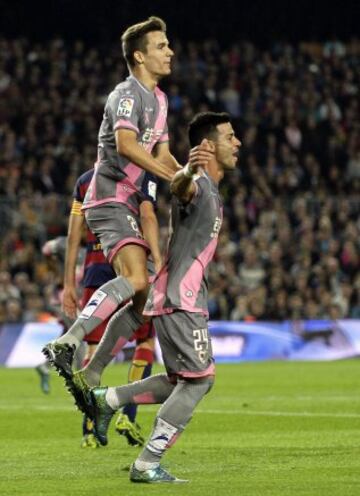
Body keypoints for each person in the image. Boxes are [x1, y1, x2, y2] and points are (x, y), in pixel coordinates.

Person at [88, 112, 241, 483]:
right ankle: (147, 463)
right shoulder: (199, 183)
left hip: (180, 296)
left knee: (180, 381)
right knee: (201, 380)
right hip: (181, 299)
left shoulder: (212, 188)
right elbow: (179, 186)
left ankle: (107, 399)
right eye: (230, 136)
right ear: (209, 146)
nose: (237, 143)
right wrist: (187, 171)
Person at [42, 16, 181, 398]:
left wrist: (189, 177)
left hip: (130, 201)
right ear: (139, 56)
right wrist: (173, 180)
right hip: (109, 196)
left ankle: (93, 372)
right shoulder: (126, 94)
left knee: (145, 296)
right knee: (138, 279)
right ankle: (69, 341)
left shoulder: (161, 100)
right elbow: (127, 145)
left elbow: (163, 154)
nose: (170, 51)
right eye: (161, 46)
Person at [63, 168, 161, 448]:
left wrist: (69, 283)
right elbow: (147, 216)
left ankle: (90, 429)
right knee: (144, 339)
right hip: (133, 265)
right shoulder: (141, 174)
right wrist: (159, 261)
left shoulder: (84, 181)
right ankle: (127, 416)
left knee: (92, 351)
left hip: (96, 269)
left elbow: (73, 235)